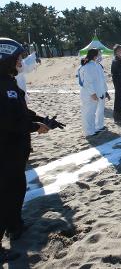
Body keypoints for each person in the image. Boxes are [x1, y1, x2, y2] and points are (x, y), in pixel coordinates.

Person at [0, 38, 64, 263]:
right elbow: (9, 121)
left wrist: (41, 119)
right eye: (18, 58)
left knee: (16, 189)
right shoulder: (1, 85)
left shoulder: (8, 83)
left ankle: (14, 225)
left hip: (15, 152)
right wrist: (35, 127)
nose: (20, 62)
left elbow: (20, 112)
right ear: (6, 60)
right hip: (6, 152)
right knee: (6, 194)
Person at [78, 49, 109, 135]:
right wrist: (93, 93)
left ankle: (93, 129)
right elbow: (87, 82)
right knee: (88, 113)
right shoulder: (88, 66)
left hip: (96, 93)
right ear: (95, 56)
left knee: (92, 113)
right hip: (89, 94)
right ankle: (89, 132)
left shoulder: (95, 65)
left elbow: (100, 80)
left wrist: (105, 91)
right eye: (99, 54)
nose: (100, 56)